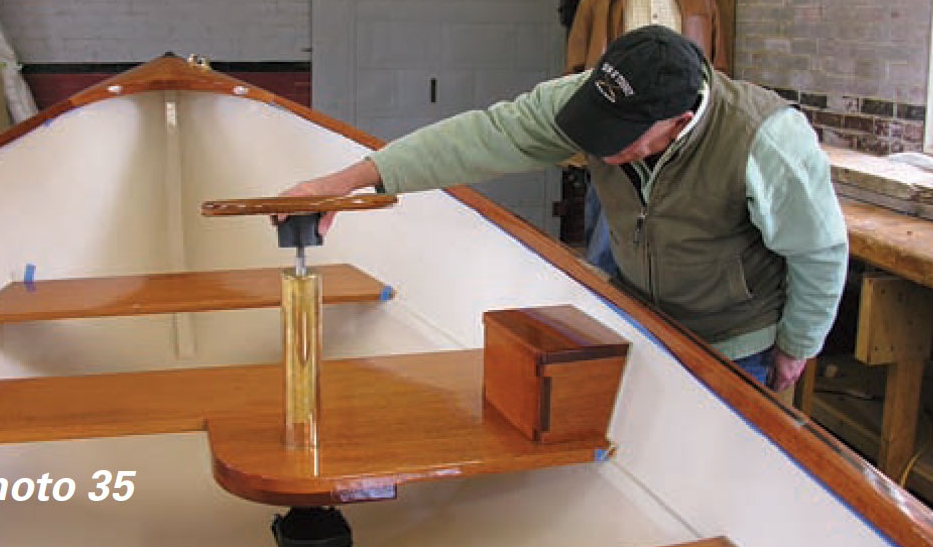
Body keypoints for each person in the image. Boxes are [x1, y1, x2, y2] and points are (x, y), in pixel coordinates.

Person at [282, 26, 847, 391]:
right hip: (642, 318)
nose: (601, 148)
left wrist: (797, 349)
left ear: (679, 119)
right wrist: (350, 179)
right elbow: (481, 136)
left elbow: (819, 253)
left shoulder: (765, 139)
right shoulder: (596, 96)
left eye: (623, 136)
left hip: (738, 344)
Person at [565, 0, 728, 276]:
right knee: (606, 239)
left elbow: (718, 67)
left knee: (674, 237)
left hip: (679, 132)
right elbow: (574, 71)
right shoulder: (598, 0)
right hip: (618, 131)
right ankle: (603, 317)